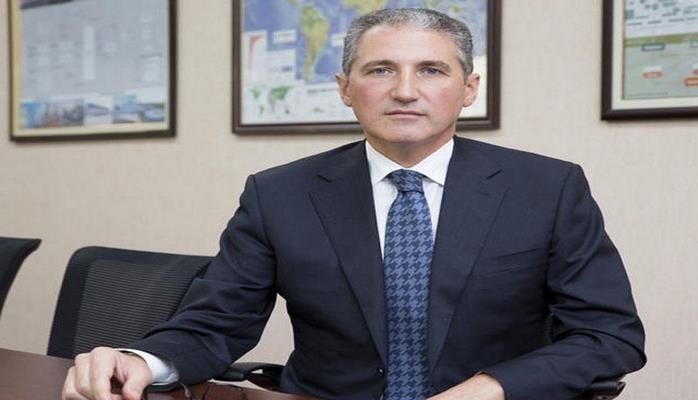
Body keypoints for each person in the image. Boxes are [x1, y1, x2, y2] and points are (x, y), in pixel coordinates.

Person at [62, 8, 645, 400]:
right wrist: (143, 361)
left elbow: (610, 335)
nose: (405, 91)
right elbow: (217, 322)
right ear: (345, 88)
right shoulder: (278, 194)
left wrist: (489, 387)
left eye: (431, 70)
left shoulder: (546, 188)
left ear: (468, 89)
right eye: (380, 69)